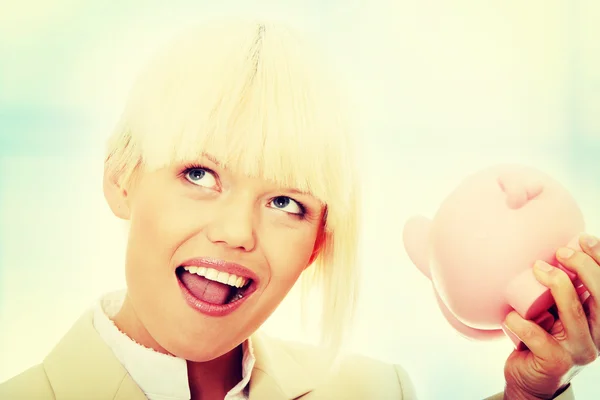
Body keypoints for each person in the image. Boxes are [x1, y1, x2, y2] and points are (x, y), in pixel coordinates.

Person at [0, 17, 598, 400]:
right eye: (200, 174)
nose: (237, 232)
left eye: (287, 202)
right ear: (121, 178)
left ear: (318, 242)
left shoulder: (373, 391)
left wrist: (531, 394)